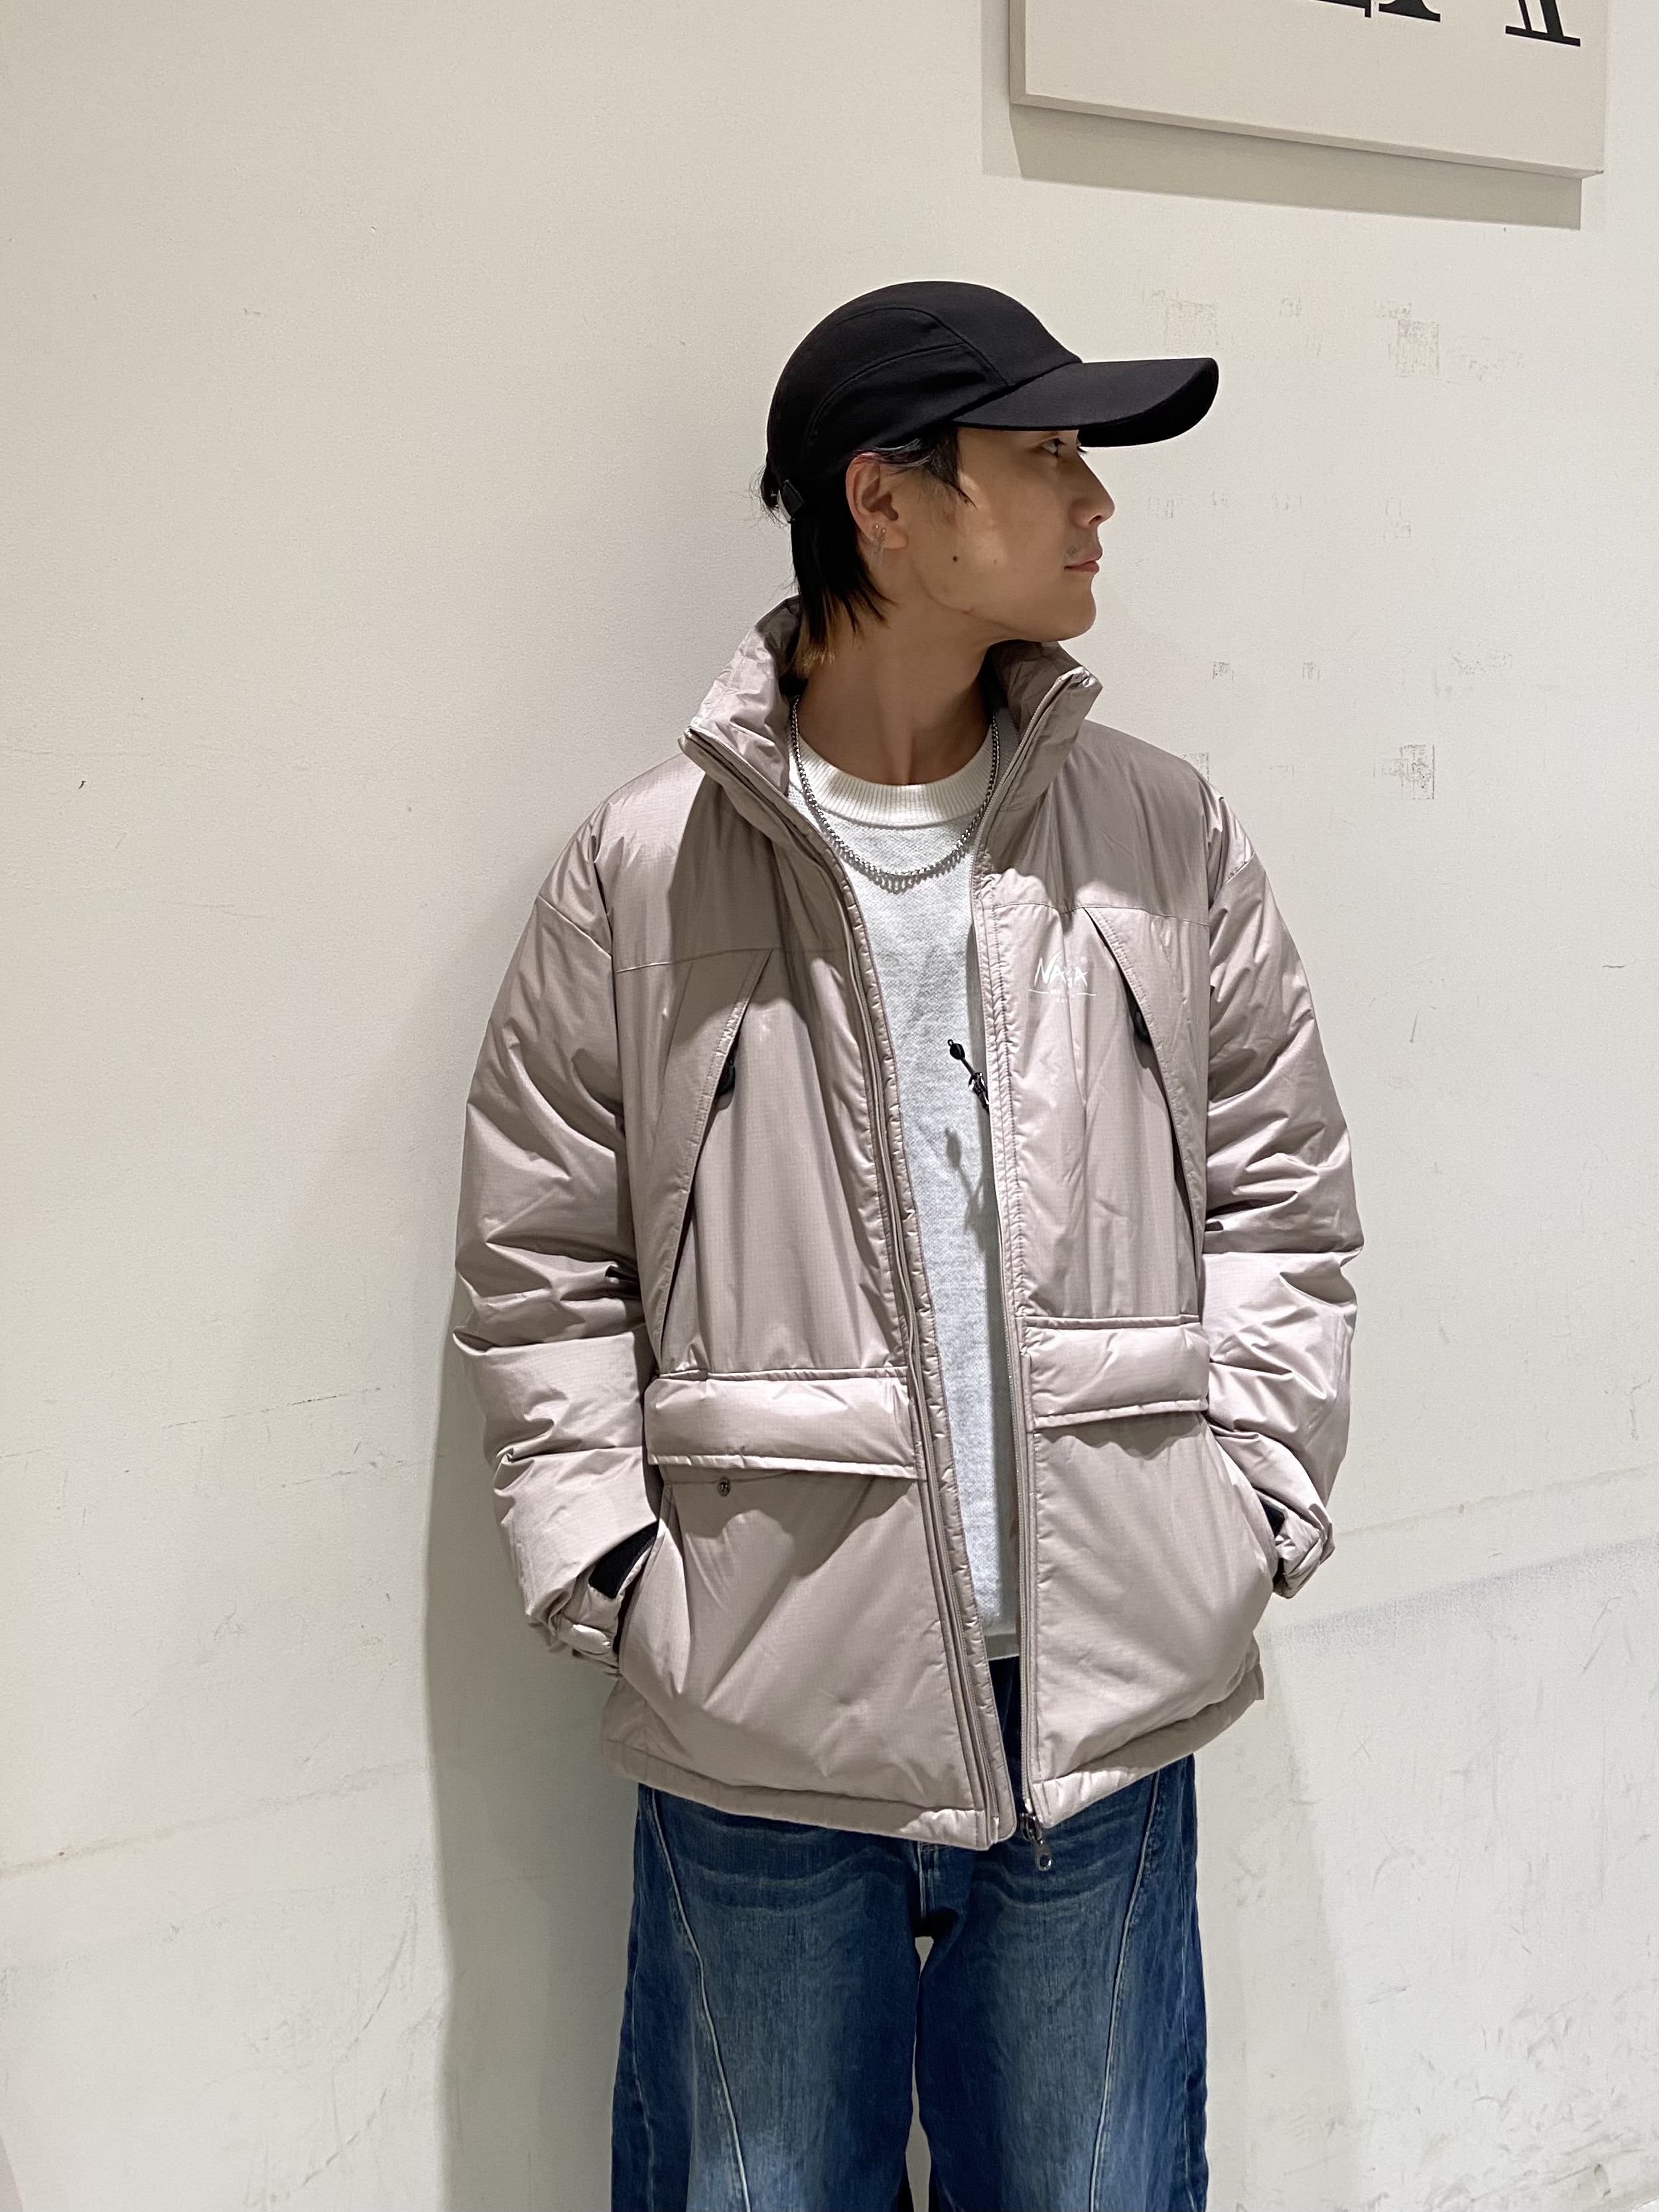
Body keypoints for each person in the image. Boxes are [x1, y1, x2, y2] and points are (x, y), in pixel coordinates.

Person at [452, 280, 1362, 2212]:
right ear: (882, 501)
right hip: (762, 1706)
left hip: (1102, 1694)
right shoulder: (646, 870)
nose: (1096, 503)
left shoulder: (1166, 836)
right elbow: (540, 1262)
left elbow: (1285, 1189)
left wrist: (1252, 1504)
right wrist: (619, 1578)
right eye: (1046, 456)